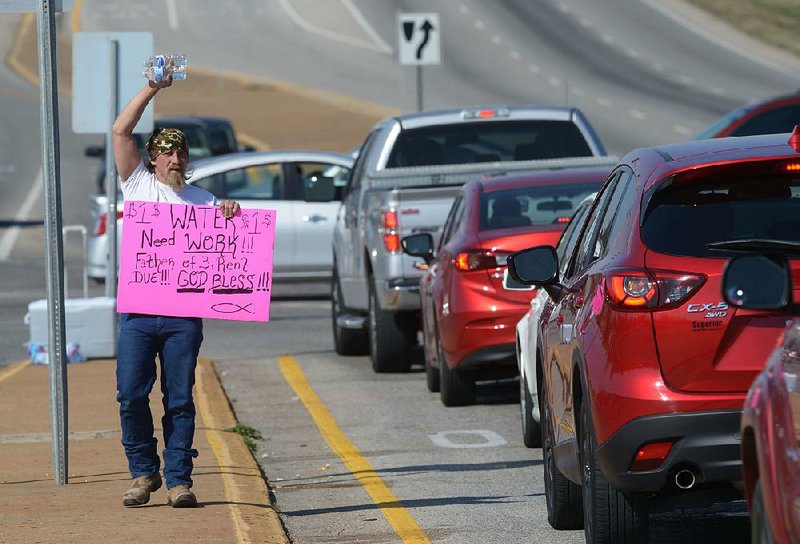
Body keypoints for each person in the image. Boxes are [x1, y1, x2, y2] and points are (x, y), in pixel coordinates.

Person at [112, 72, 240, 508]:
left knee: (180, 398)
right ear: (152, 158)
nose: (175, 160)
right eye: (167, 154)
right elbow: (120, 130)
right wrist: (153, 88)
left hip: (183, 316)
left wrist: (229, 212)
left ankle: (180, 478)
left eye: (181, 153)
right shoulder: (137, 185)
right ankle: (143, 472)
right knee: (131, 394)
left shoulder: (202, 201)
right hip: (139, 312)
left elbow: (227, 255)